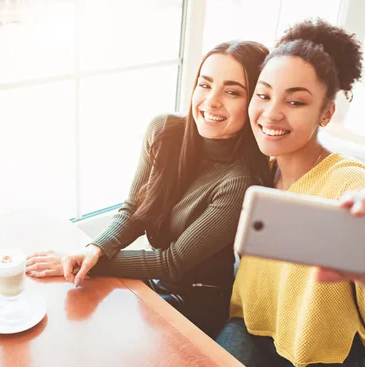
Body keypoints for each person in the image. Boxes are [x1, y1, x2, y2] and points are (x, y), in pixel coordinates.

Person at [216, 19, 365, 367]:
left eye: (295, 101)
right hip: (254, 328)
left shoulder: (347, 181)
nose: (271, 113)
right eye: (263, 95)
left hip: (325, 357)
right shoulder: (257, 167)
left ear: (325, 114)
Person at [25, 40, 272, 338]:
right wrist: (94, 248)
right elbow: (134, 211)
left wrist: (85, 264)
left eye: (232, 92)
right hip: (156, 280)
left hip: (198, 299)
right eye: (205, 85)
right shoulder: (163, 132)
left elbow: (172, 262)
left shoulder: (240, 181)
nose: (212, 101)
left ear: (255, 103)